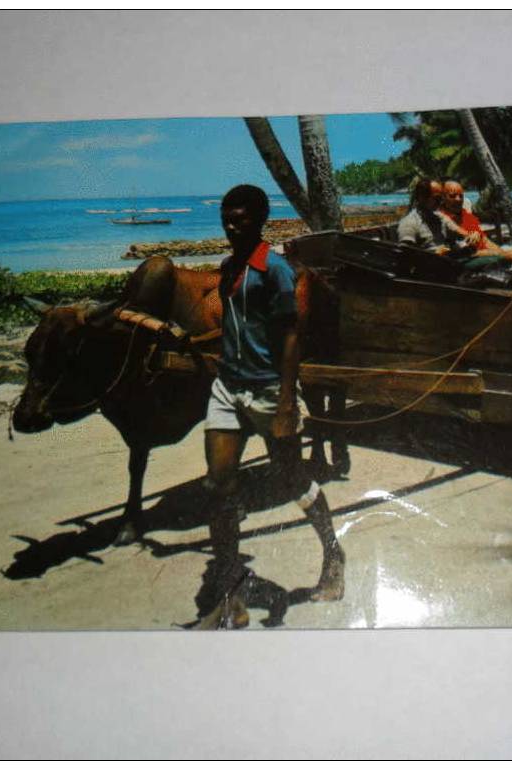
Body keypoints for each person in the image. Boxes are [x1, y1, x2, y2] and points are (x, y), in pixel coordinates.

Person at [194, 184, 346, 630]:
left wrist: (285, 402)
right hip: (228, 389)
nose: (230, 225)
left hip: (267, 391)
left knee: (293, 477)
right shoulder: (227, 268)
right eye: (225, 217)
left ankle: (334, 553)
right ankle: (229, 594)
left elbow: (291, 336)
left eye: (240, 218)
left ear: (259, 220)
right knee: (219, 486)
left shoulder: (274, 270)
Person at [438, 180, 512, 261]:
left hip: (475, 250)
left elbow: (483, 239)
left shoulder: (464, 211)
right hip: (460, 257)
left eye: (461, 196)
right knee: (510, 255)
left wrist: (500, 251)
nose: (458, 199)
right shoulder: (440, 217)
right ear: (443, 198)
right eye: (452, 196)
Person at [397, 178, 450, 252]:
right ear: (422, 198)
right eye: (437, 198)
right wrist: (434, 253)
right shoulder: (410, 223)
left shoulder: (439, 218)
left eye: (441, 198)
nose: (441, 202)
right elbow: (405, 254)